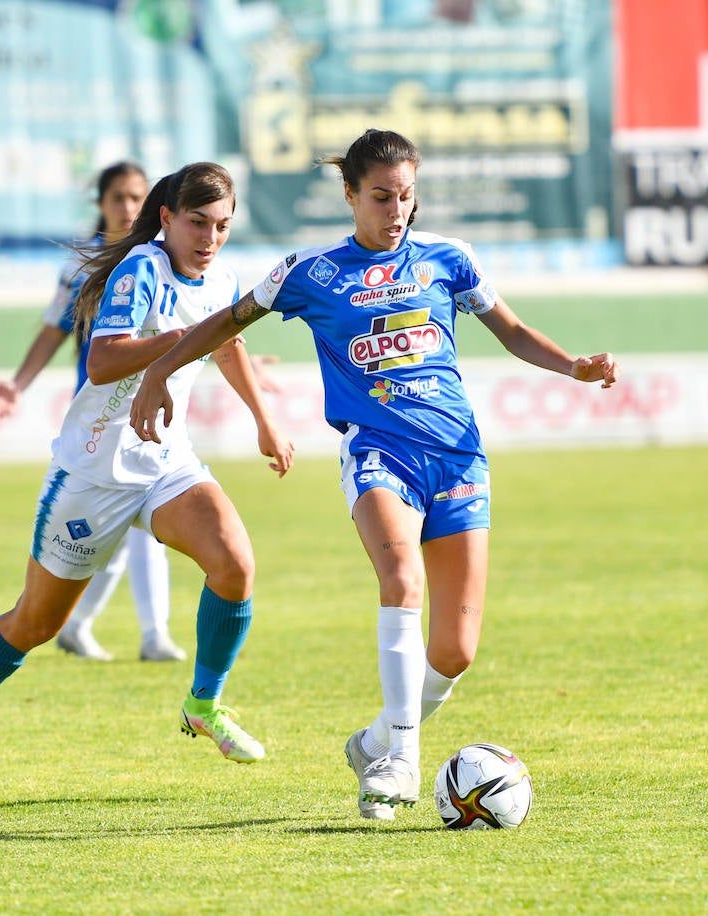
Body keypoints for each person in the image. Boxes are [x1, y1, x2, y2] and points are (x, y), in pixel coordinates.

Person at [129, 129, 618, 821]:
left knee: (455, 651)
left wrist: (573, 365)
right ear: (351, 194)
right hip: (379, 454)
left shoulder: (450, 259)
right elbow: (225, 322)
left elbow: (509, 329)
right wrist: (158, 369)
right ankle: (403, 764)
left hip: (457, 455)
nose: (397, 210)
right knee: (401, 581)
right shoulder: (312, 272)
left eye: (407, 197)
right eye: (382, 196)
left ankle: (380, 738)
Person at [0, 161, 295, 796]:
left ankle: (204, 704)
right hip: (92, 473)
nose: (210, 238)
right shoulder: (142, 268)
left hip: (166, 463)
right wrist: (178, 341)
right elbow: (102, 356)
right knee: (36, 625)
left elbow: (227, 344)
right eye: (197, 223)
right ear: (167, 218)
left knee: (235, 564)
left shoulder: (222, 276)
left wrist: (264, 418)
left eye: (223, 226)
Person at [0, 161, 187, 663]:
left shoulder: (170, 260)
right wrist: (17, 385)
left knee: (150, 523)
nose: (127, 206)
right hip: (101, 417)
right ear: (100, 203)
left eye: (136, 196)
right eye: (117, 196)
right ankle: (80, 625)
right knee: (113, 537)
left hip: (156, 408)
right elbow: (55, 328)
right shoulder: (86, 263)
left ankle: (152, 634)